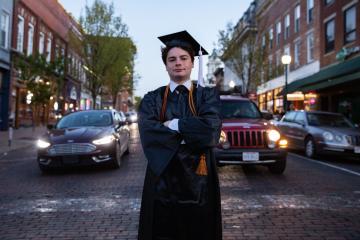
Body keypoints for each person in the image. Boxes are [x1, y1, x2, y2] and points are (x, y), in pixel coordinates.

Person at [137, 31, 222, 240]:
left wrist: (173, 124)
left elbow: (210, 130)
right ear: (165, 65)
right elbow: (149, 134)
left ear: (192, 63)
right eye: (172, 59)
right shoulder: (152, 99)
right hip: (162, 180)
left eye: (184, 58)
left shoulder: (206, 96)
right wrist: (191, 132)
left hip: (200, 181)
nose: (178, 63)